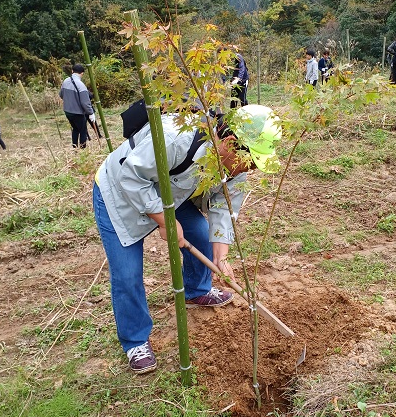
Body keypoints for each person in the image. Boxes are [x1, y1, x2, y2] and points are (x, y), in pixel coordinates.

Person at [93, 104, 282, 374]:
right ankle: (135, 340)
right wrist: (165, 222)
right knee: (127, 274)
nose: (250, 169)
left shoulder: (235, 168)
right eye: (251, 161)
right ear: (230, 143)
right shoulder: (176, 137)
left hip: (170, 190)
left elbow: (224, 210)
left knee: (202, 236)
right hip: (119, 192)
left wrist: (222, 256)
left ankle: (196, 290)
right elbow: (131, 177)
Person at [59, 64, 96, 148]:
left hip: (67, 111)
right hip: (77, 113)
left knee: (75, 129)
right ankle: (83, 149)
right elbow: (85, 102)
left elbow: (61, 95)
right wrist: (91, 113)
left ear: (72, 71)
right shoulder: (81, 85)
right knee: (83, 131)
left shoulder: (65, 81)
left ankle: (74, 147)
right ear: (82, 73)